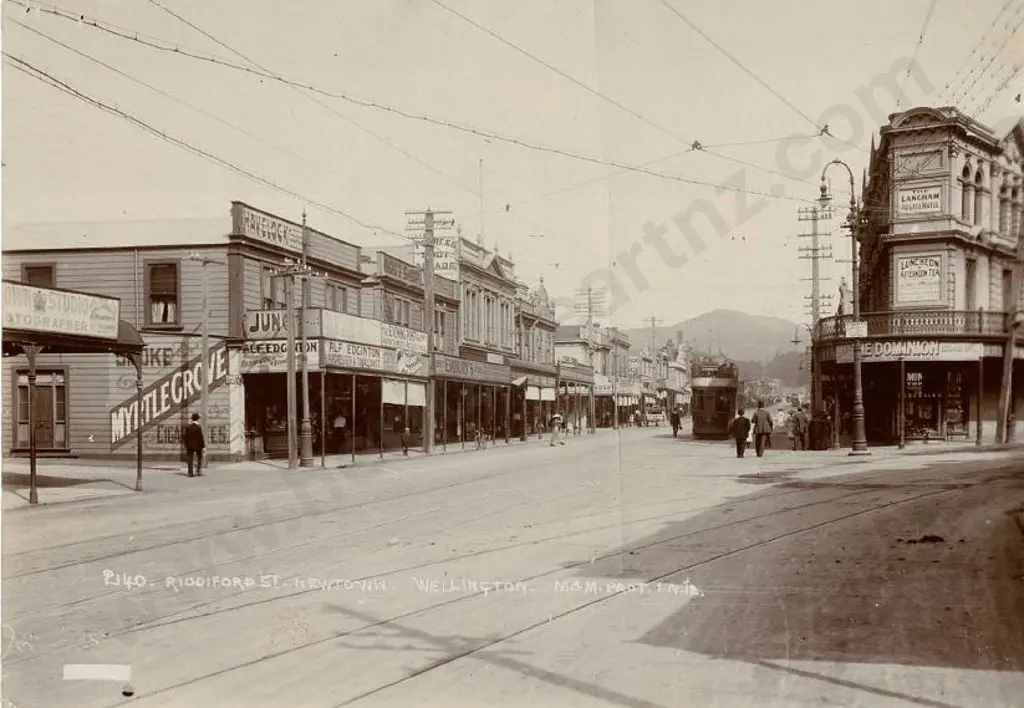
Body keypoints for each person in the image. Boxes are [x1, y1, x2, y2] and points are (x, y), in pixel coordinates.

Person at [184, 412, 205, 477]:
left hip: (189, 446)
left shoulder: (188, 427)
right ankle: (198, 471)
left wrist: (186, 445)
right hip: (198, 445)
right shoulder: (199, 427)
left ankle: (190, 473)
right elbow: (200, 437)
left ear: (192, 419)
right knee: (199, 457)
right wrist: (203, 446)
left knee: (190, 459)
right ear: (198, 419)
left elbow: (185, 437)